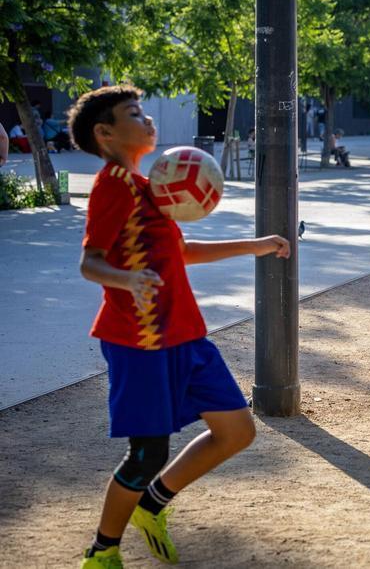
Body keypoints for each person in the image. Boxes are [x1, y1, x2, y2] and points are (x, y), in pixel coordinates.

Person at [67, 85, 290, 568]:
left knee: (236, 431)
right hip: (139, 341)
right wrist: (127, 280)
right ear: (106, 133)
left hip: (186, 334)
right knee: (146, 454)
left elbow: (180, 253)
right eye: (134, 114)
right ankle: (102, 552)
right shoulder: (110, 186)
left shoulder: (148, 188)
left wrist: (258, 245)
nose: (146, 120)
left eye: (144, 111)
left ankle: (153, 505)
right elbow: (90, 263)